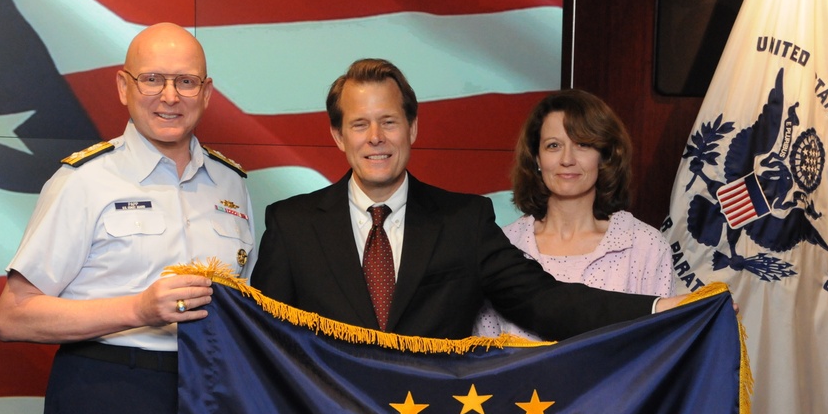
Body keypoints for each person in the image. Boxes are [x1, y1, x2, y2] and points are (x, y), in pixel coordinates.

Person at [0, 23, 254, 414]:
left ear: (207, 92)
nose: (170, 95)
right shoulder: (84, 181)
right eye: (153, 79)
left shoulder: (234, 186)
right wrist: (137, 309)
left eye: (186, 81)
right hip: (105, 398)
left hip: (203, 407)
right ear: (123, 87)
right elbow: (13, 315)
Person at [251, 58, 686, 340]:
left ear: (413, 128)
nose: (376, 138)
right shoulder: (292, 225)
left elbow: (547, 301)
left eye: (389, 121)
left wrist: (662, 307)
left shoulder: (465, 221)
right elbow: (262, 342)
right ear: (338, 136)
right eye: (360, 124)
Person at [475, 89, 674, 339]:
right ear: (536, 157)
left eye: (583, 144)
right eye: (554, 145)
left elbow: (664, 347)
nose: (567, 159)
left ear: (604, 156)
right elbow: (482, 355)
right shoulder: (503, 246)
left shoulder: (645, 246)